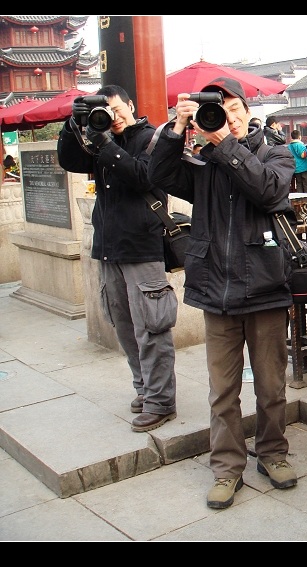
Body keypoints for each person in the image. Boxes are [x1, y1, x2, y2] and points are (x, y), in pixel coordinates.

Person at [146, 77, 298, 509]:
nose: (225, 118)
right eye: (217, 110)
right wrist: (176, 128)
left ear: (247, 110)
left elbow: (269, 191)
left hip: (266, 285)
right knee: (222, 390)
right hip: (216, 287)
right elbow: (156, 176)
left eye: (232, 109)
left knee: (270, 386)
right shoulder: (204, 161)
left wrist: (224, 145)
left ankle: (273, 454)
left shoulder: (276, 152)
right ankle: (227, 468)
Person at [57, 84, 178, 433]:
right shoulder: (98, 137)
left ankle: (161, 402)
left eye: (117, 109)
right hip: (109, 247)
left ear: (130, 106)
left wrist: (106, 144)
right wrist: (74, 125)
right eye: (105, 112)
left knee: (152, 328)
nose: (112, 116)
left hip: (142, 247)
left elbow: (144, 176)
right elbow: (70, 161)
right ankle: (144, 389)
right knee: (123, 326)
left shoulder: (153, 139)